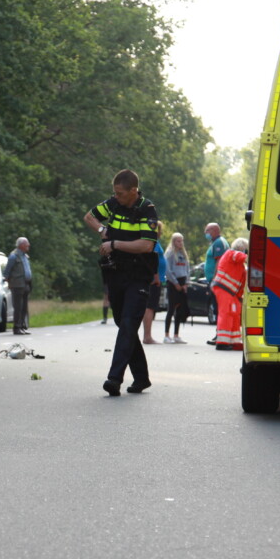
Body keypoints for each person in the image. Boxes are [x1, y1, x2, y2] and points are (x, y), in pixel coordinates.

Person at [85, 169, 160, 396]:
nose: (115, 197)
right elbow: (89, 216)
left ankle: (114, 378)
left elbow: (146, 246)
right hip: (116, 273)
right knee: (123, 323)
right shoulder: (113, 204)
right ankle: (142, 378)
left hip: (138, 275)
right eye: (114, 193)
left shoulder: (147, 210)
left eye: (120, 193)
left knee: (128, 324)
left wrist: (114, 244)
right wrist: (102, 229)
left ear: (133, 191)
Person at [211, 238, 249, 350]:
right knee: (226, 313)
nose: (246, 252)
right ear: (242, 248)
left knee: (235, 313)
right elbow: (242, 257)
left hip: (230, 292)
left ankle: (234, 341)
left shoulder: (239, 264)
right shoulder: (231, 254)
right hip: (223, 288)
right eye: (246, 249)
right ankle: (222, 342)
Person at [203, 222, 229, 345]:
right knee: (217, 309)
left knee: (218, 309)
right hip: (216, 281)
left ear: (214, 230)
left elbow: (219, 262)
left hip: (217, 282)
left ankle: (220, 335)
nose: (205, 233)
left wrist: (214, 280)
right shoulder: (216, 242)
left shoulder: (219, 243)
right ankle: (219, 334)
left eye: (207, 231)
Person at [164, 232, 190, 343]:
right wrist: (175, 283)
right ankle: (166, 335)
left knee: (180, 310)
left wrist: (186, 283)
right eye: (178, 241)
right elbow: (168, 270)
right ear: (174, 241)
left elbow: (187, 269)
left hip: (182, 282)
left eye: (181, 240)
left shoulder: (183, 253)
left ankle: (176, 335)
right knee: (171, 309)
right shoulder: (170, 253)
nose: (180, 243)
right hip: (173, 282)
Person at [4, 237, 32, 334]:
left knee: (24, 307)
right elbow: (7, 272)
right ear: (21, 245)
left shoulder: (25, 256)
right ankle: (16, 327)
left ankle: (22, 326)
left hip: (25, 284)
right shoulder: (13, 256)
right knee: (18, 307)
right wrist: (9, 283)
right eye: (26, 244)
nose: (28, 245)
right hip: (17, 285)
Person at [142, 235, 166, 344]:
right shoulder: (153, 241)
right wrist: (156, 276)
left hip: (156, 278)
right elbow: (153, 258)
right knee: (149, 307)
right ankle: (147, 336)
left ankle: (147, 335)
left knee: (150, 307)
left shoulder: (155, 241)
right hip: (154, 280)